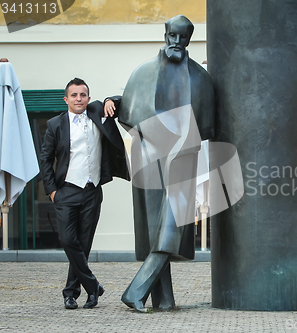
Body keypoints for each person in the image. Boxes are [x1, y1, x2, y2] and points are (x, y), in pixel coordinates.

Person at [104, 15, 215, 312]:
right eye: (172, 36)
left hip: (183, 155)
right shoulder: (143, 72)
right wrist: (115, 99)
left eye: (183, 37)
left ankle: (136, 290)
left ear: (189, 39)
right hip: (149, 152)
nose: (176, 42)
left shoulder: (201, 78)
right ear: (165, 34)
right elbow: (130, 107)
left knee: (171, 223)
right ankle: (164, 300)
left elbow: (208, 124)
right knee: (157, 226)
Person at [40, 78, 130, 309]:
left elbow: (123, 102)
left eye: (82, 95)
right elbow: (45, 160)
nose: (78, 99)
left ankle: (70, 294)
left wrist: (112, 99)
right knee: (69, 240)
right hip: (66, 191)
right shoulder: (54, 124)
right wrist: (52, 192)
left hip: (92, 190)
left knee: (84, 244)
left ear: (89, 98)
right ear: (66, 99)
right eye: (74, 95)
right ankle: (93, 286)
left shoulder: (98, 110)